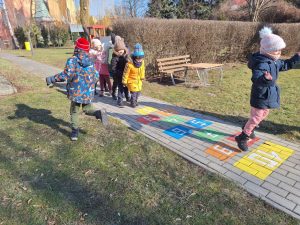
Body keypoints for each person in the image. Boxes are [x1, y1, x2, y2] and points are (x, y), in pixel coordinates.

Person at [235, 27, 300, 151]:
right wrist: (265, 79)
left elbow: (285, 64)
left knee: (264, 113)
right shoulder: (262, 63)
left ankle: (248, 127)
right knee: (256, 117)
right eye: (277, 51)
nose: (279, 53)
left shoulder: (273, 61)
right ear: (268, 50)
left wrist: (296, 58)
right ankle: (243, 137)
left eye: (280, 51)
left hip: (268, 94)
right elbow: (256, 77)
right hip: (260, 94)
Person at [45, 37, 109, 140]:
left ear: (77, 48)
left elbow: (66, 75)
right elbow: (96, 76)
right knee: (87, 109)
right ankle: (98, 113)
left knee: (74, 111)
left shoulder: (72, 60)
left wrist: (52, 79)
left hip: (76, 92)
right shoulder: (91, 60)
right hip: (88, 92)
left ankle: (74, 133)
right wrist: (89, 85)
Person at [122, 43, 145, 108]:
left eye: (141, 58)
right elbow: (125, 73)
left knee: (138, 93)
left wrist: (142, 76)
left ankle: (135, 101)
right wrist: (124, 81)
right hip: (131, 81)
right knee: (134, 93)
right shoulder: (129, 64)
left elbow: (143, 70)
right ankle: (132, 102)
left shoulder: (142, 63)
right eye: (138, 58)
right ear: (135, 58)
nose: (140, 60)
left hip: (139, 81)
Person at [111, 37, 131, 106]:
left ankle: (128, 97)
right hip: (118, 76)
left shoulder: (125, 56)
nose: (120, 51)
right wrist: (118, 73)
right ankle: (120, 101)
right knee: (120, 88)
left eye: (121, 50)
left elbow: (128, 63)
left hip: (125, 75)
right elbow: (113, 68)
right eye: (118, 50)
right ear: (116, 50)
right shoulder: (114, 58)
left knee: (126, 87)